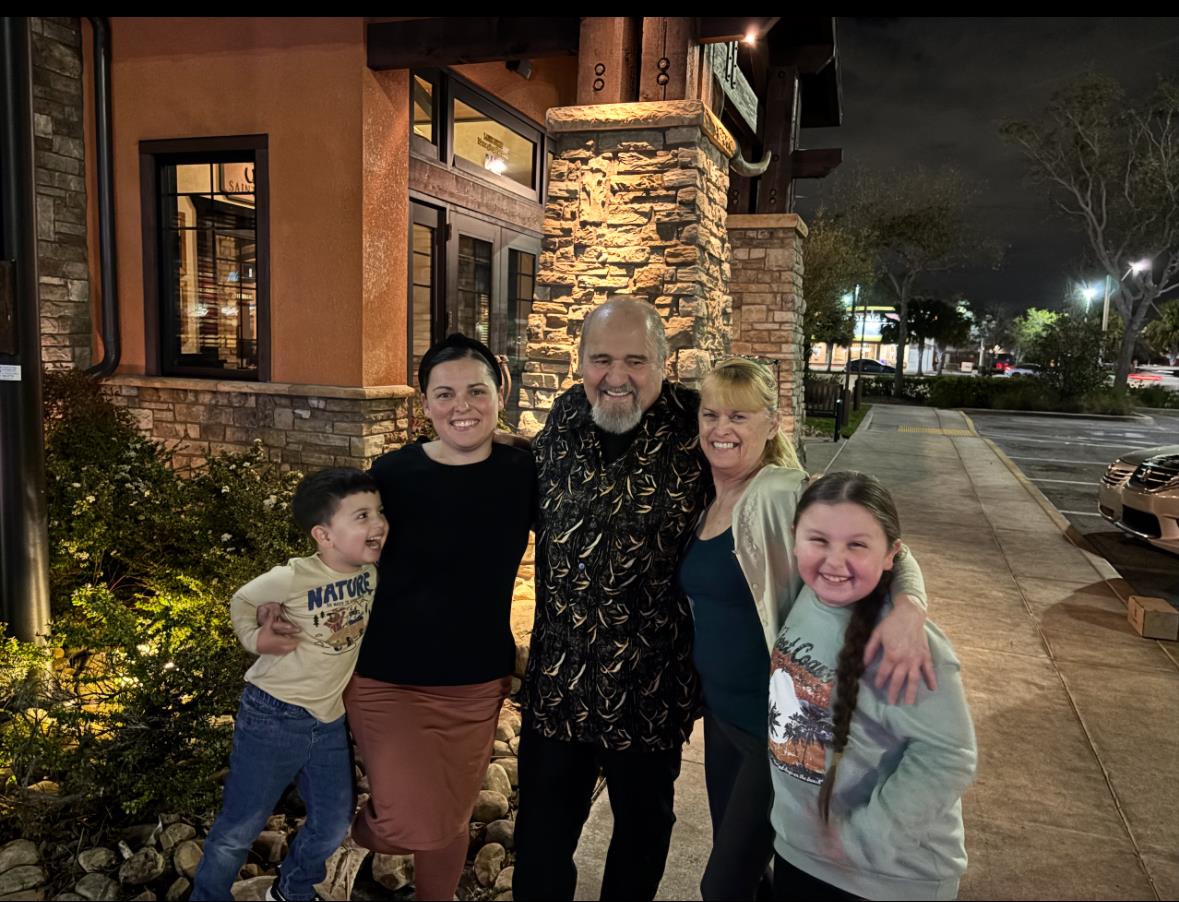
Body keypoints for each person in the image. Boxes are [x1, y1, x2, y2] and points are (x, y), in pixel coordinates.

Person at [513, 299, 935, 901]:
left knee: (643, 835)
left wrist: (911, 605)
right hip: (559, 685)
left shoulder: (700, 426)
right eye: (600, 358)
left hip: (651, 693)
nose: (616, 374)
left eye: (636, 360)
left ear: (665, 362)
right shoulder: (563, 420)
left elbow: (860, 532)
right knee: (540, 843)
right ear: (579, 362)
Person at [683, 358, 932, 901]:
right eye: (711, 414)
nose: (721, 429)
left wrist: (910, 607)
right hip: (723, 720)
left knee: (722, 885)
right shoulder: (706, 495)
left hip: (775, 729)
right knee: (750, 873)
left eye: (740, 417)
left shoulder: (782, 491)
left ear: (772, 424)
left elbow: (888, 546)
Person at [343, 333, 536, 902]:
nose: (462, 406)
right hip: (386, 675)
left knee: (449, 814)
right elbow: (346, 554)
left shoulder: (523, 470)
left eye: (476, 391)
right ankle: (333, 840)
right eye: (444, 393)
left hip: (473, 680)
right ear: (424, 403)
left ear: (499, 391)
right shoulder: (392, 474)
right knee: (406, 816)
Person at [768, 472, 977, 901]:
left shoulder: (908, 645)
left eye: (856, 546)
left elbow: (948, 755)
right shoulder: (810, 598)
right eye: (819, 541)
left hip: (886, 878)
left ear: (890, 556)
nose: (834, 561)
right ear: (795, 538)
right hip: (800, 852)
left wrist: (864, 839)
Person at [192, 468, 387, 902]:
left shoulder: (369, 574)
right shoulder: (295, 576)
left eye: (379, 512)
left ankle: (292, 890)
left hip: (328, 719)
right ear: (323, 535)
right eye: (361, 516)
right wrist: (256, 635)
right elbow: (242, 600)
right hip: (273, 716)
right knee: (239, 827)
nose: (377, 524)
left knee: (335, 821)